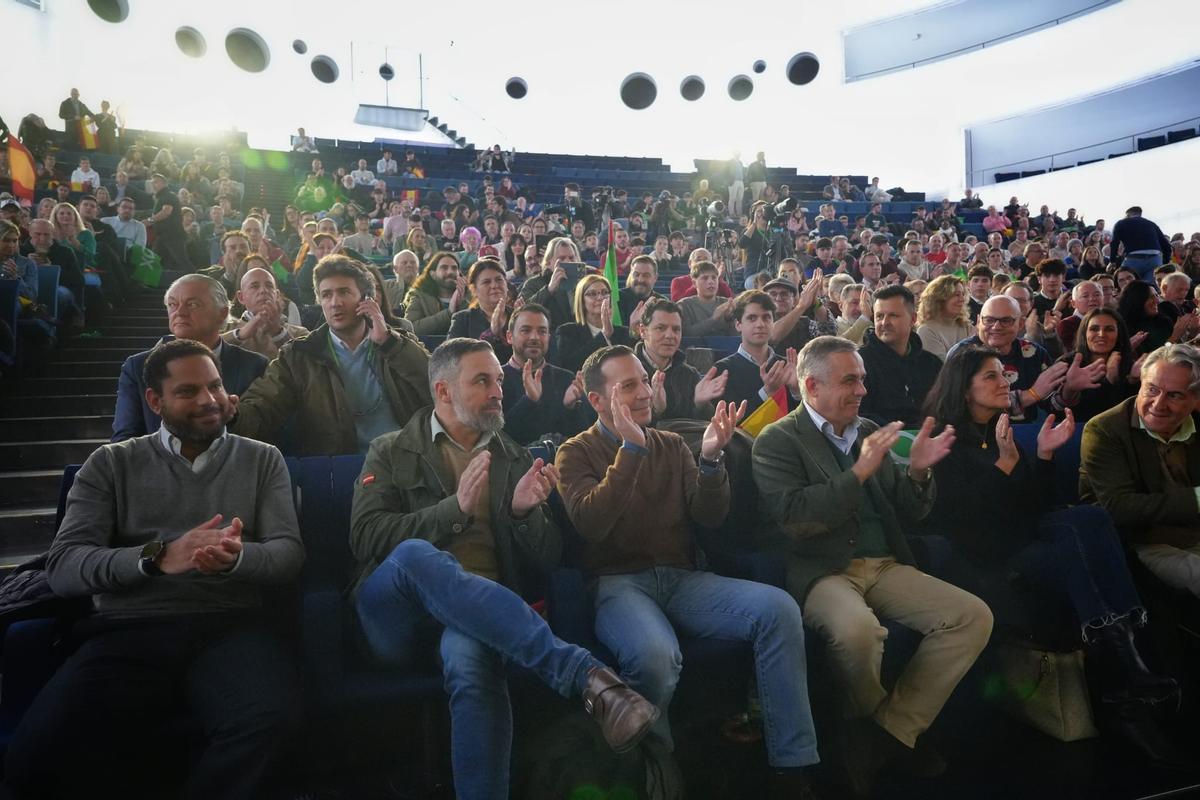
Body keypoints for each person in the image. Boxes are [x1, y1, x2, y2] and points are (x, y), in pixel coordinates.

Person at [348, 338, 658, 799]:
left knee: (473, 660)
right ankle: (584, 676)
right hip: (398, 618)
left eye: (498, 379)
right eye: (482, 381)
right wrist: (453, 511)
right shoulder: (392, 449)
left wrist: (522, 514)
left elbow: (550, 557)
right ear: (443, 391)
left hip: (480, 618)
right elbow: (365, 535)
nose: (498, 391)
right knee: (415, 555)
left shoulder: (513, 456)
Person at [6, 339, 305, 799]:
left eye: (215, 386)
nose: (209, 400)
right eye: (188, 391)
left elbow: (288, 553)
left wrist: (238, 558)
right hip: (128, 630)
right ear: (154, 400)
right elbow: (65, 566)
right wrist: (157, 557)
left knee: (270, 720)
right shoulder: (110, 463)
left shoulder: (262, 458)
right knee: (35, 755)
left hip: (228, 625)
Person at [556, 345, 822, 799]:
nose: (645, 392)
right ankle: (659, 767)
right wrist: (631, 451)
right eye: (629, 386)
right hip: (618, 584)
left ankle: (791, 766)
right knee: (655, 657)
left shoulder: (671, 444)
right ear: (597, 400)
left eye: (644, 380)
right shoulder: (574, 452)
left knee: (778, 609)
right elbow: (591, 524)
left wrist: (712, 461)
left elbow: (709, 517)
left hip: (682, 578)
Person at [752, 336, 992, 796]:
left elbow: (911, 512)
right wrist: (858, 472)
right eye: (850, 380)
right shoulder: (777, 440)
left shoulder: (867, 430)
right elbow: (797, 519)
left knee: (972, 616)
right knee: (858, 633)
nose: (862, 390)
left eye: (862, 379)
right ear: (812, 386)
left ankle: (885, 734)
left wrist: (918, 471)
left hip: (884, 563)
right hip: (824, 570)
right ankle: (885, 736)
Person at [922, 346, 1179, 765]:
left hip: (1029, 537)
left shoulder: (999, 429)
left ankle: (1121, 659)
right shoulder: (945, 442)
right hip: (992, 555)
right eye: (991, 376)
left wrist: (1042, 455)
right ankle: (1127, 665)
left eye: (1003, 374)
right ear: (964, 389)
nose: (1004, 383)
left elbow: (1036, 506)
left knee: (1089, 518)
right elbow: (965, 523)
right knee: (1076, 535)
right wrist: (1004, 467)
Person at [229, 256, 431, 455]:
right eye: (326, 295)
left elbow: (434, 385)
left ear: (366, 299)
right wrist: (232, 415)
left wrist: (388, 342)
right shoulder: (300, 355)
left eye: (344, 292)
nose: (335, 303)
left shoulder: (397, 343)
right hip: (336, 466)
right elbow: (263, 408)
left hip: (402, 459)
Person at [1081, 343, 1200, 598]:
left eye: (1174, 395)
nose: (1158, 404)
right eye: (1152, 389)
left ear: (1195, 399)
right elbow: (1119, 508)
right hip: (1143, 540)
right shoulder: (1105, 430)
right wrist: (1197, 499)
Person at [113, 276, 268, 442]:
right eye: (172, 304)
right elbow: (125, 440)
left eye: (193, 304)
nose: (179, 312)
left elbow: (265, 432)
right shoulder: (138, 367)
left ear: (222, 313)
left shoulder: (255, 366)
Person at [948, 295, 1080, 422]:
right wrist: (1030, 395)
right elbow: (958, 405)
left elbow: (1052, 405)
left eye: (1006, 321)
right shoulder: (962, 354)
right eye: (989, 320)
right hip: (975, 434)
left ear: (1021, 323)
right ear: (978, 322)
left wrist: (1069, 390)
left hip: (1027, 432)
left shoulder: (1034, 353)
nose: (996, 326)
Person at [501, 304, 592, 444]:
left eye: (542, 331)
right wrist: (529, 401)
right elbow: (499, 438)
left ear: (549, 337)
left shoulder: (566, 379)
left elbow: (582, 439)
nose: (534, 337)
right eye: (526, 330)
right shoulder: (496, 380)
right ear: (509, 337)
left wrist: (570, 408)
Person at [859, 285, 943, 427]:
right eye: (879, 316)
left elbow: (944, 409)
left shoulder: (931, 363)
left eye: (893, 315)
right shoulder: (860, 363)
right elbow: (859, 415)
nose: (884, 322)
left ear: (913, 319)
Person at [635, 298, 728, 422]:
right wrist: (656, 411)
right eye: (660, 328)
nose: (670, 335)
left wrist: (700, 405)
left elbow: (703, 427)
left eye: (676, 329)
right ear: (642, 331)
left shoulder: (690, 374)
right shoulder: (627, 371)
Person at [713, 291, 799, 416]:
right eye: (752, 318)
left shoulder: (787, 366)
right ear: (738, 325)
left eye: (766, 317)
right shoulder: (723, 370)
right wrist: (767, 392)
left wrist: (796, 392)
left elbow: (800, 421)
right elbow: (730, 421)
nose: (760, 324)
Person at [553, 274, 635, 373]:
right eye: (592, 294)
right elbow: (570, 366)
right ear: (581, 300)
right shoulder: (567, 331)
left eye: (605, 292)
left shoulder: (623, 332)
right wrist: (604, 335)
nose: (600, 297)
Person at [222, 267, 310, 359]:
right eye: (255, 286)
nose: (263, 290)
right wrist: (240, 335)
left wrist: (278, 333)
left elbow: (307, 363)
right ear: (241, 297)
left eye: (269, 286)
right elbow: (212, 351)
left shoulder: (299, 333)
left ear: (277, 295)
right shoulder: (227, 329)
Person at [447, 258, 513, 362]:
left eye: (499, 280)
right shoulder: (463, 320)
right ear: (474, 290)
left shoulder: (518, 316)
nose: (494, 285)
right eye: (486, 282)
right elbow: (451, 357)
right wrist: (492, 333)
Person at [518, 236, 583, 330]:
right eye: (562, 258)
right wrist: (549, 289)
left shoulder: (584, 282)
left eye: (572, 258)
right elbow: (526, 311)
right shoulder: (533, 283)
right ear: (548, 262)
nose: (568, 262)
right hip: (549, 334)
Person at [1118, 281, 1193, 354]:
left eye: (1156, 295)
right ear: (1137, 300)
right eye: (1151, 297)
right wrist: (1173, 338)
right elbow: (1151, 359)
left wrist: (1192, 332)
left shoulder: (1164, 321)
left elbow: (1183, 351)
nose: (1157, 301)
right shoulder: (1124, 330)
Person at [404, 251, 468, 335]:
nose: (450, 272)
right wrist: (449, 313)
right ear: (433, 274)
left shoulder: (470, 296)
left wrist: (463, 302)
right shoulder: (419, 296)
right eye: (444, 268)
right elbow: (410, 328)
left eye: (454, 268)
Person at [915, 275, 972, 360]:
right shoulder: (926, 331)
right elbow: (944, 365)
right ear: (940, 298)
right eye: (957, 295)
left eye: (963, 294)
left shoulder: (965, 325)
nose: (962, 299)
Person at [1110, 206, 1172, 281]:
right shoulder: (1151, 224)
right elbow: (1166, 245)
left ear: (1128, 215)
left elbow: (1114, 242)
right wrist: (1165, 262)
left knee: (1126, 283)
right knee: (1150, 286)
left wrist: (1112, 261)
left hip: (1134, 258)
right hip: (1154, 259)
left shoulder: (1121, 223)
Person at [678, 260, 737, 337]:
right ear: (694, 283)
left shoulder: (727, 304)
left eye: (714, 278)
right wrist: (713, 319)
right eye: (705, 278)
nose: (710, 282)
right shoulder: (684, 305)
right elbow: (685, 334)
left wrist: (730, 319)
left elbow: (738, 336)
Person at [146, 173, 190, 269]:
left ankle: (194, 277)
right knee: (153, 261)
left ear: (164, 184)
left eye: (156, 182)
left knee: (182, 261)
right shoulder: (161, 197)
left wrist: (149, 220)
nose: (153, 185)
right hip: (163, 236)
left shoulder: (168, 195)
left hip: (173, 235)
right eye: (152, 183)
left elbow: (166, 212)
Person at [617, 255, 665, 325]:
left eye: (646, 275)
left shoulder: (662, 303)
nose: (640, 280)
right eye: (636, 274)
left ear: (655, 277)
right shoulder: (617, 298)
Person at [1056, 280, 1104, 346]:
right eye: (1085, 296)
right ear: (1073, 303)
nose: (1092, 299)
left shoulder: (1110, 320)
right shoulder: (1067, 325)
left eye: (1097, 295)